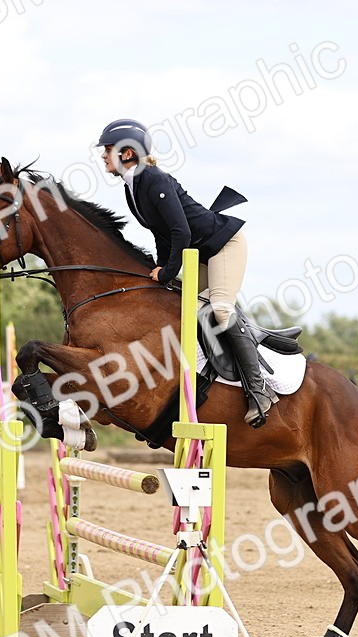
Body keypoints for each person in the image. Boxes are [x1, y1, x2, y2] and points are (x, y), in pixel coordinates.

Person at [96, 118, 278, 427]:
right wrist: (158, 268)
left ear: (127, 153)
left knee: (219, 309)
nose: (103, 156)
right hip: (199, 254)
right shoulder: (133, 188)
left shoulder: (153, 179)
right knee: (185, 309)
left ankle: (259, 389)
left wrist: (167, 272)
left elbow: (180, 232)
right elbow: (162, 234)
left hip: (223, 246)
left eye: (108, 150)